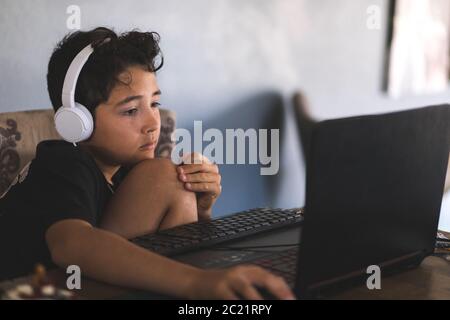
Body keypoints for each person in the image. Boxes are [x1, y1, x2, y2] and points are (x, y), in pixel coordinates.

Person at [0, 27, 294, 300]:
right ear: (78, 123)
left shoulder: (131, 170)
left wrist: (203, 208)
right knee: (164, 175)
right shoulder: (62, 164)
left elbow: (180, 247)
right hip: (30, 290)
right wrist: (196, 282)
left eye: (154, 104)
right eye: (130, 111)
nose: (153, 123)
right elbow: (72, 245)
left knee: (171, 180)